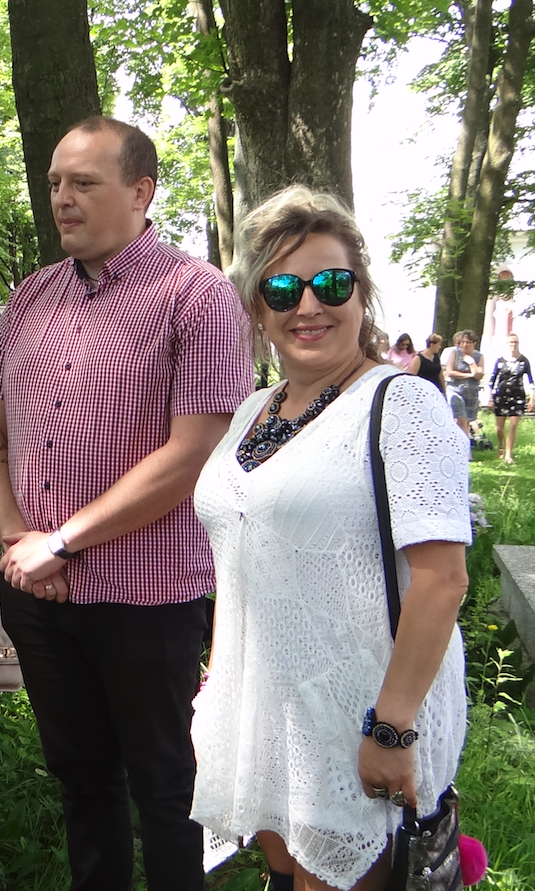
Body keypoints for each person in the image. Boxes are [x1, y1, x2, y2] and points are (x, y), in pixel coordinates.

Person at [0, 117, 252, 891]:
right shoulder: (29, 298)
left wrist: (63, 541)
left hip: (147, 596)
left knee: (164, 785)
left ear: (140, 190)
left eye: (83, 182)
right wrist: (22, 539)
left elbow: (193, 453)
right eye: (56, 181)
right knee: (81, 779)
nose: (62, 197)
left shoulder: (198, 296)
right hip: (39, 595)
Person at [191, 186, 469, 891]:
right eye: (283, 288)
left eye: (331, 283)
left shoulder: (402, 404)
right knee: (286, 877)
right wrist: (218, 678)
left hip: (359, 719)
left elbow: (441, 580)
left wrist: (392, 728)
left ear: (361, 294)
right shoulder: (255, 410)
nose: (308, 305)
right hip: (271, 712)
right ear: (259, 307)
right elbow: (241, 554)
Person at [490, 333, 533, 463]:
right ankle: (501, 445)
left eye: (515, 342)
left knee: (513, 425)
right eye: (511, 342)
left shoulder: (523, 361)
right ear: (507, 344)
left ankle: (509, 454)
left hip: (518, 395)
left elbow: (531, 381)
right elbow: (492, 380)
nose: (513, 344)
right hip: (501, 396)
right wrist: (490, 398)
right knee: (500, 428)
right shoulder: (500, 360)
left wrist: (532, 399)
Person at [441, 329, 483, 438]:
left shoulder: (479, 356)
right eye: (462, 342)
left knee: (468, 421)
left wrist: (471, 362)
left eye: (467, 342)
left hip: (471, 393)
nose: (464, 345)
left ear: (474, 343)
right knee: (461, 420)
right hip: (455, 390)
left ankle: (462, 443)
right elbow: (450, 372)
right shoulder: (455, 353)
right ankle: (465, 448)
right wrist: (469, 375)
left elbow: (479, 375)